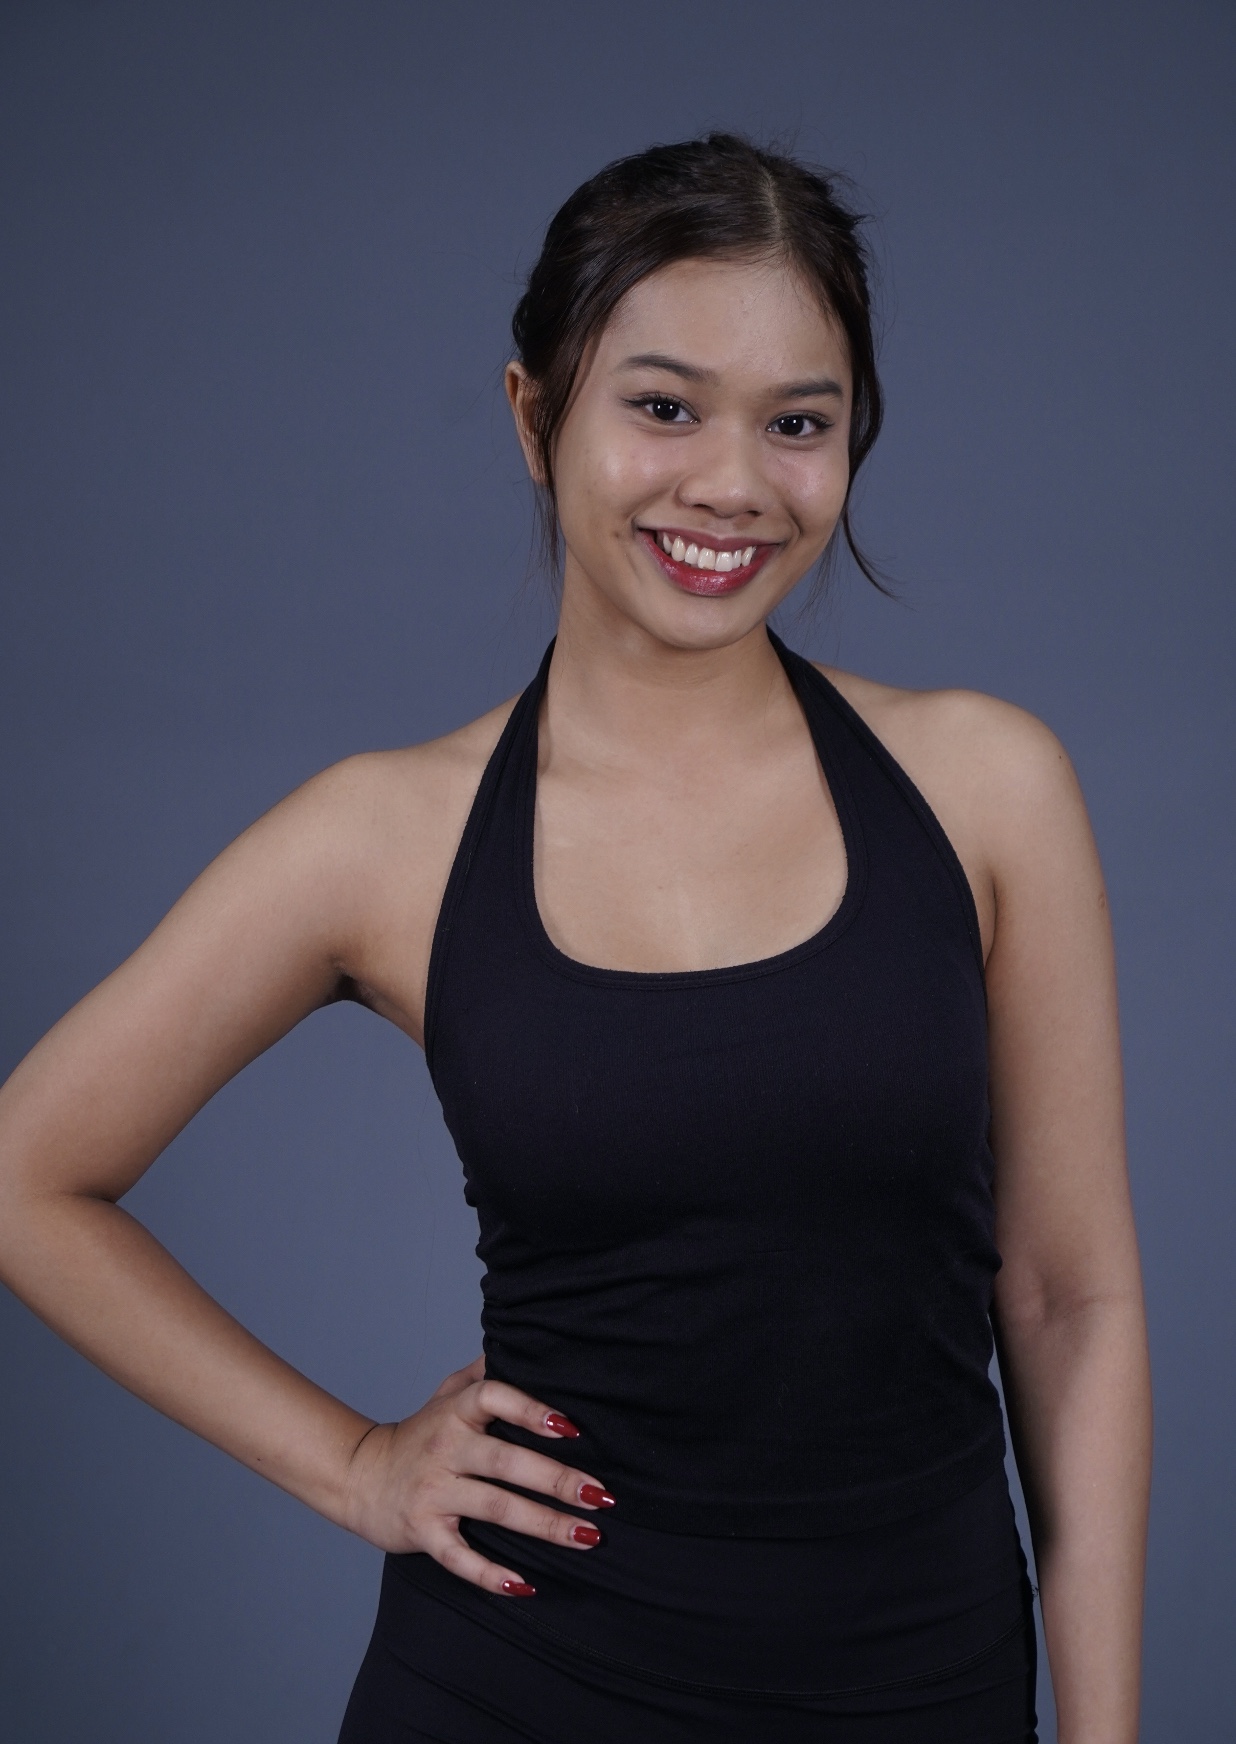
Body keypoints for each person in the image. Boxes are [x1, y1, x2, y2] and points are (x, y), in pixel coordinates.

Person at [0, 134, 1150, 1743]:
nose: (733, 484)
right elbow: (26, 1176)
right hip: (521, 1687)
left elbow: (1070, 1299)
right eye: (664, 407)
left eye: (799, 423)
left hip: (923, 1686)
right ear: (535, 416)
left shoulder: (988, 787)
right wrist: (354, 1465)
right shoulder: (385, 837)